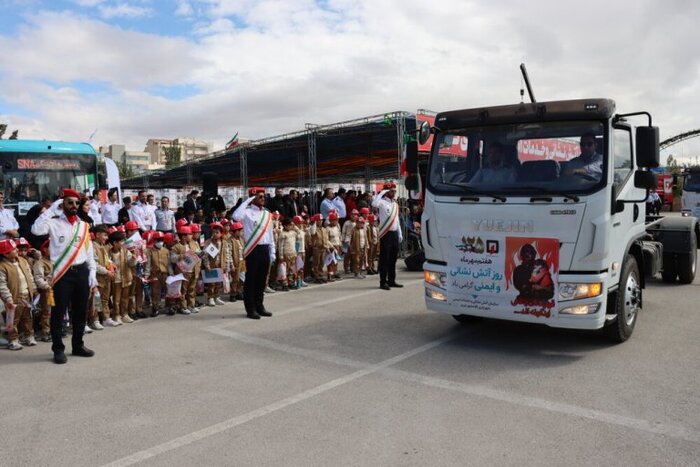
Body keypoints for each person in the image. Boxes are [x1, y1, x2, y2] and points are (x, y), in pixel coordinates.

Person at [31, 188, 98, 364]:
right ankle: (58, 349)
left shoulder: (83, 226)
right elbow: (36, 230)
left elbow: (88, 250)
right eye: (70, 202)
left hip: (81, 272)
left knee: (80, 311)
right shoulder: (53, 223)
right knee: (58, 313)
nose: (74, 206)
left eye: (77, 203)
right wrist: (52, 209)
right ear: (62, 204)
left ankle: (78, 345)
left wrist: (92, 271)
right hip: (63, 274)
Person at [232, 187, 276, 319]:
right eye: (260, 196)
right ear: (253, 198)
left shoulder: (267, 214)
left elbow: (270, 234)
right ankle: (250, 309)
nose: (263, 199)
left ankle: (259, 306)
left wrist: (272, 251)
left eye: (264, 196)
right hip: (252, 250)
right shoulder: (246, 212)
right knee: (251, 281)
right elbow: (235, 216)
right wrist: (247, 201)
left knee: (262, 281)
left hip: (264, 249)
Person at [0, 238, 38, 350]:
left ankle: (28, 336)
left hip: (27, 295)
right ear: (6, 254)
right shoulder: (2, 267)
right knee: (13, 320)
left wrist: (34, 288)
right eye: (13, 249)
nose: (17, 250)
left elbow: (29, 276)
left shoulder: (23, 261)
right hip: (14, 297)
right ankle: (13, 340)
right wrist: (8, 299)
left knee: (28, 317)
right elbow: (2, 285)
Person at [372, 181, 403, 290]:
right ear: (386, 191)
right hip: (386, 233)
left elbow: (397, 220)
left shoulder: (395, 204)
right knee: (385, 259)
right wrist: (381, 192)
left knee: (393, 258)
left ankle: (391, 280)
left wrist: (400, 233)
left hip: (394, 233)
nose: (393, 193)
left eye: (394, 191)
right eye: (391, 191)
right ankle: (383, 282)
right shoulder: (381, 202)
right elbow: (374, 204)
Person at [202, 222, 230, 306]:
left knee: (218, 282)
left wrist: (226, 265)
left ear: (221, 233)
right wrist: (207, 265)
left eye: (217, 232)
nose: (214, 234)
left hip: (220, 265)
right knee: (211, 282)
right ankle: (210, 297)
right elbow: (205, 256)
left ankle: (217, 297)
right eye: (213, 232)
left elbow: (227, 254)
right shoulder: (208, 242)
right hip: (212, 265)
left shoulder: (224, 242)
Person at [32, 240, 54, 341]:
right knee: (46, 311)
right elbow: (38, 278)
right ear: (45, 249)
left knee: (56, 311)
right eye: (51, 247)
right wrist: (46, 286)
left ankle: (55, 329)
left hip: (57, 289)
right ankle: (45, 331)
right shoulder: (40, 263)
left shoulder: (56, 260)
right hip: (46, 291)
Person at [144, 231, 170, 317]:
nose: (160, 242)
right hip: (155, 274)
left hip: (165, 274)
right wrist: (146, 276)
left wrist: (172, 274)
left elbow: (169, 264)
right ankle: (155, 308)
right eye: (158, 240)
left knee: (168, 291)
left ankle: (169, 307)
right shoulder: (150, 251)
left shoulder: (166, 251)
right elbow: (148, 264)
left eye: (161, 240)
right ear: (154, 241)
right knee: (155, 292)